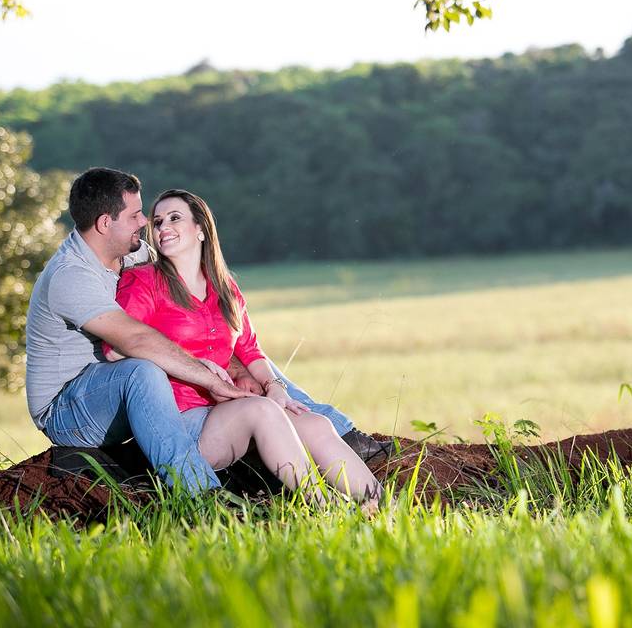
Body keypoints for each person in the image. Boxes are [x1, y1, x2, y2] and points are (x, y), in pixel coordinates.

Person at [25, 167, 387, 496]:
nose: (149, 224)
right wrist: (207, 374)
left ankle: (365, 480)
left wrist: (263, 383)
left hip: (170, 396)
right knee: (146, 369)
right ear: (105, 223)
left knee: (304, 415)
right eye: (139, 216)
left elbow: (243, 346)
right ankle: (200, 493)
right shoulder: (76, 275)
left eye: (163, 218)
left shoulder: (138, 255)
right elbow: (128, 345)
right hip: (71, 405)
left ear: (200, 229)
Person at [106, 189, 382, 503]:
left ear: (200, 229)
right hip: (181, 427)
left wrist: (275, 386)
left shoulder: (225, 288)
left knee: (315, 423)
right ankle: (321, 506)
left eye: (174, 218)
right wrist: (193, 364)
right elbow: (115, 349)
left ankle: (379, 506)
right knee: (261, 410)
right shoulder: (144, 282)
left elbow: (250, 350)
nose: (162, 227)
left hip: (227, 412)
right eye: (157, 221)